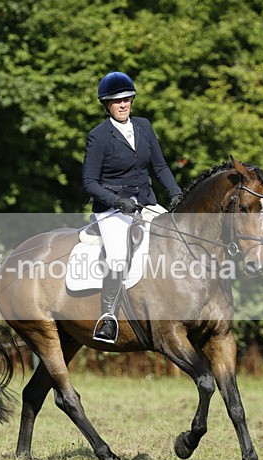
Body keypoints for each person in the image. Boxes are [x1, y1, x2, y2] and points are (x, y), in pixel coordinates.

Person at [81, 71, 184, 343]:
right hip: (113, 210)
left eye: (127, 99)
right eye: (117, 101)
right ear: (106, 105)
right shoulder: (99, 136)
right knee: (117, 255)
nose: (123, 105)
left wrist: (175, 193)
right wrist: (116, 201)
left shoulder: (144, 126)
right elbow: (89, 182)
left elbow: (159, 166)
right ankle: (108, 318)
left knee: (179, 238)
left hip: (146, 203)